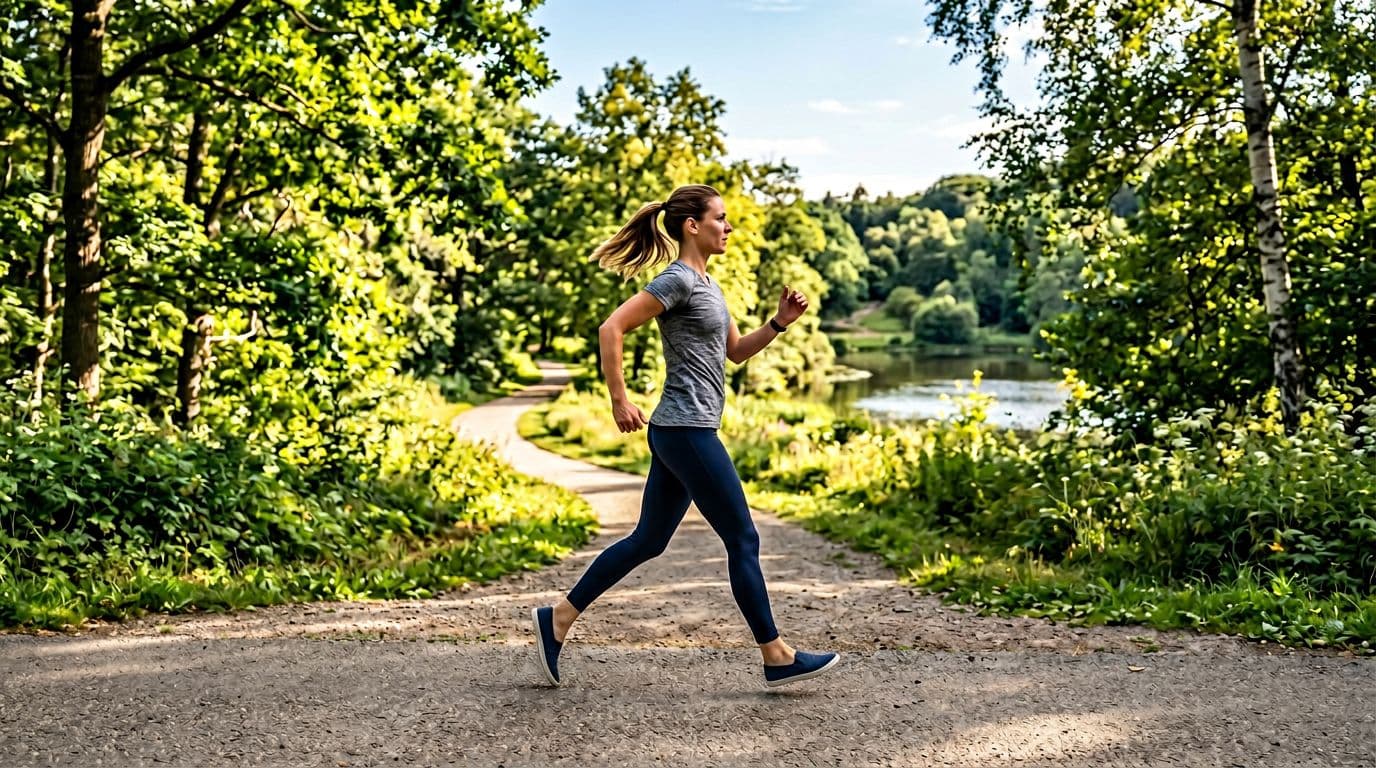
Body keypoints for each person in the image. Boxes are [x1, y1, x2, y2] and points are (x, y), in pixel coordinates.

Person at [531, 184, 841, 689]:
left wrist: (779, 324)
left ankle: (558, 618)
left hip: (681, 430)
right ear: (692, 225)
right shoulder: (677, 280)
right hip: (686, 430)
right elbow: (612, 329)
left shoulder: (708, 284)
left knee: (649, 540)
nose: (728, 227)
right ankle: (777, 655)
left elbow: (736, 351)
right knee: (743, 537)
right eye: (721, 218)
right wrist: (618, 399)